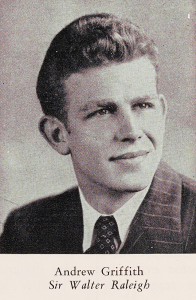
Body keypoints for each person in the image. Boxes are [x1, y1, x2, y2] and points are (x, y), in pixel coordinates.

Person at [0, 13, 196, 254]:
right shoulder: (26, 230)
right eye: (103, 111)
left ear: (163, 113)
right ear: (57, 135)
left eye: (143, 106)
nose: (132, 132)